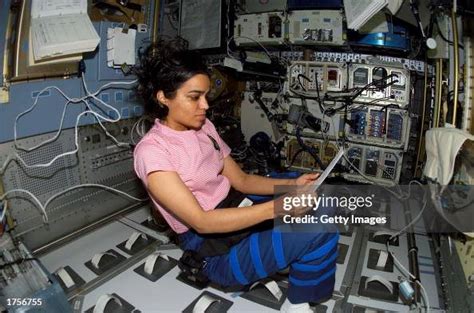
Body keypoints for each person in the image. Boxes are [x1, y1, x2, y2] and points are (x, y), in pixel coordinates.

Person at [133, 38, 339, 313]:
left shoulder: (203, 127)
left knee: (317, 196)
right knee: (320, 227)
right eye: (194, 97)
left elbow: (241, 180)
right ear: (163, 97)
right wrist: (278, 207)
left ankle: (288, 254)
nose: (205, 106)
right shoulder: (152, 153)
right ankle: (297, 303)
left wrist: (292, 184)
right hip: (212, 248)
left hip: (236, 203)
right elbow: (203, 222)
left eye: (206, 96)